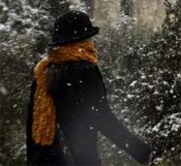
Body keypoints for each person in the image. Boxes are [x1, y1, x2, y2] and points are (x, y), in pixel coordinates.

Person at [26, 10, 151, 165]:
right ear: (82, 41)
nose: (92, 43)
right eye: (90, 38)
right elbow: (103, 118)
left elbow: (32, 129)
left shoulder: (43, 72)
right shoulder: (84, 70)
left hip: (48, 160)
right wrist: (141, 152)